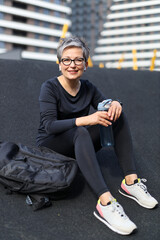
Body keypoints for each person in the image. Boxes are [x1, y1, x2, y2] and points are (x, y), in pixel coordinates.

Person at [36, 36, 158, 235]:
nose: (72, 65)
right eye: (67, 59)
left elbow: (106, 103)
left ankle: (130, 183)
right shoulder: (49, 88)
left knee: (116, 116)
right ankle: (106, 203)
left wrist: (115, 104)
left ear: (85, 64)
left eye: (78, 60)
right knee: (81, 130)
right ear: (59, 64)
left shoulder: (88, 87)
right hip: (52, 146)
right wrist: (85, 120)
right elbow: (49, 126)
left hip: (79, 141)